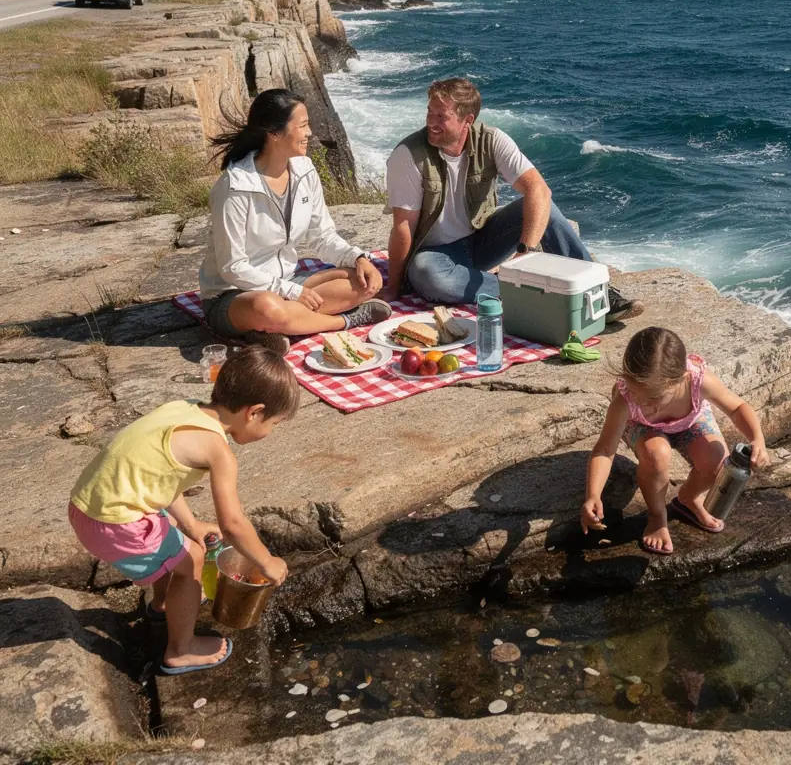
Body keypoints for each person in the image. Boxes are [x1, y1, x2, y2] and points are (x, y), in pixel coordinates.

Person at [67, 346, 299, 675]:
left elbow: (161, 478)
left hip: (88, 505)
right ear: (254, 412)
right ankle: (181, 649)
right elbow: (233, 524)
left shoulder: (183, 409)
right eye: (274, 423)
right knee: (192, 561)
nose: (270, 431)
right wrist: (266, 561)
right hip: (114, 521)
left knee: (178, 542)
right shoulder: (218, 450)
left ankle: (164, 605)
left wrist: (190, 522)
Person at [381, 77, 641, 319]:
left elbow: (538, 190)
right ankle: (536, 292)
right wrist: (394, 288)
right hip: (435, 254)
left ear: (466, 121)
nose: (431, 122)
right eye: (429, 112)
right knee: (428, 276)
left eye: (441, 116)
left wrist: (524, 255)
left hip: (482, 241)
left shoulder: (492, 140)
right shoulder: (408, 155)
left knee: (544, 207)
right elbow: (403, 227)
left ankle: (598, 291)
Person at [200, 89, 391, 354]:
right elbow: (233, 268)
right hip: (235, 296)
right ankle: (342, 320)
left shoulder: (304, 170)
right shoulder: (234, 187)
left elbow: (322, 235)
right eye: (302, 125)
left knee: (363, 281)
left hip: (288, 282)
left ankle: (275, 328)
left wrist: (357, 258)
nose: (310, 132)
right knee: (266, 307)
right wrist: (290, 291)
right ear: (274, 133)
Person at [580, 326, 770, 555]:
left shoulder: (698, 381)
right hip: (642, 426)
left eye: (653, 397)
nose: (643, 402)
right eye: (635, 391)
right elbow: (605, 449)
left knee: (717, 457)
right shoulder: (627, 399)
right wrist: (593, 494)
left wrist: (757, 439)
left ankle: (688, 499)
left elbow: (737, 407)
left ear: (681, 379)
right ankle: (658, 517)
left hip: (689, 421)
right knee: (656, 454)